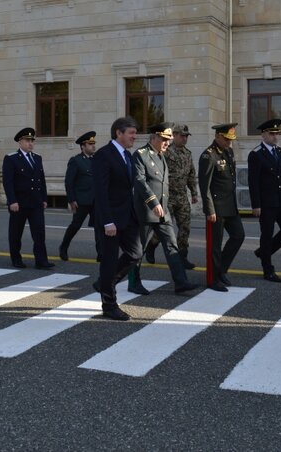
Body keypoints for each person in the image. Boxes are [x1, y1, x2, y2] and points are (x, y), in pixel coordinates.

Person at [131, 122, 198, 294]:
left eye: (169, 140)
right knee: (139, 249)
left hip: (163, 211)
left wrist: (163, 205)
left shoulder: (162, 155)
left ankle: (181, 282)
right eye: (164, 139)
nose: (167, 143)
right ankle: (133, 282)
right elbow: (140, 182)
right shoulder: (140, 155)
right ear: (154, 137)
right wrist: (153, 203)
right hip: (147, 211)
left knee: (171, 246)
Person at [92, 117, 143, 321]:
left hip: (128, 216)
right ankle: (109, 305)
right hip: (111, 219)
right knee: (109, 261)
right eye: (131, 133)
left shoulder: (127, 155)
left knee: (135, 253)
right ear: (118, 133)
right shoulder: (103, 155)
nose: (134, 137)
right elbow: (100, 191)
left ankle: (105, 282)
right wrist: (107, 221)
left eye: (134, 133)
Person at [248, 118, 281, 283]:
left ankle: (263, 251)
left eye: (277, 134)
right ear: (263, 135)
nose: (275, 137)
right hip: (267, 203)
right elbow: (253, 182)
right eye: (272, 134)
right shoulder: (255, 154)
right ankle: (268, 270)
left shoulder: (280, 151)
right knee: (267, 235)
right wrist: (256, 205)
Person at [198, 122, 245, 292]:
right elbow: (205, 186)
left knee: (239, 236)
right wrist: (209, 209)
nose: (229, 142)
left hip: (230, 205)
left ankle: (221, 270)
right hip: (216, 208)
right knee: (215, 246)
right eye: (226, 139)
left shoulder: (229, 152)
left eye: (231, 139)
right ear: (217, 136)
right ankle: (213, 279)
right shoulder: (208, 155)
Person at [144, 124, 198, 270]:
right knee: (164, 229)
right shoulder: (166, 151)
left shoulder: (187, 153)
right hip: (167, 197)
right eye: (182, 135)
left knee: (185, 228)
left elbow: (191, 174)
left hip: (182, 196)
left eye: (187, 136)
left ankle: (182, 257)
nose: (185, 138)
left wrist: (193, 193)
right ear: (174, 135)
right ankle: (152, 246)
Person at [2, 127, 55, 270]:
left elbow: (41, 180)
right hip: (19, 202)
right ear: (20, 142)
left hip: (36, 202)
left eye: (32, 140)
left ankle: (41, 260)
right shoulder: (11, 158)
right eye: (27, 140)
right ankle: (16, 258)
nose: (30, 143)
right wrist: (12, 200)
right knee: (16, 232)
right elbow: (8, 182)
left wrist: (44, 198)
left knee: (39, 233)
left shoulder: (37, 158)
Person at [59, 131, 101, 262]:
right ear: (83, 146)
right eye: (90, 144)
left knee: (99, 227)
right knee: (75, 225)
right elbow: (69, 182)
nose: (93, 146)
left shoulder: (97, 160)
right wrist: (71, 200)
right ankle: (64, 247)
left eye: (94, 144)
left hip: (96, 200)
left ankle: (101, 253)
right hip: (82, 200)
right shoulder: (76, 161)